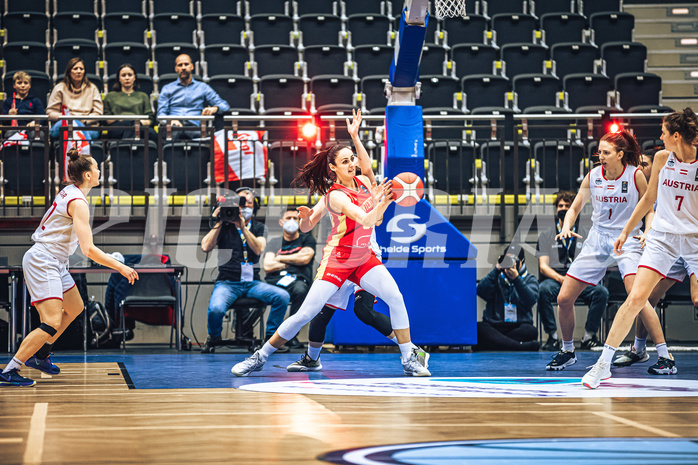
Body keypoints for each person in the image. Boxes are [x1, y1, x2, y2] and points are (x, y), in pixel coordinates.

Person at [231, 109, 431, 377]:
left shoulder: (362, 181)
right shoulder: (335, 196)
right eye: (345, 161)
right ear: (333, 168)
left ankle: (408, 358)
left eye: (352, 160)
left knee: (395, 297)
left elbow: (368, 168)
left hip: (364, 257)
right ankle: (260, 357)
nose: (352, 164)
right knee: (307, 314)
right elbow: (360, 219)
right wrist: (305, 219)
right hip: (339, 260)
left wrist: (355, 136)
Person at [0, 149, 138, 387]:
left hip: (56, 261)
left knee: (75, 307)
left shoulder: (71, 191)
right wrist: (120, 267)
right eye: (95, 168)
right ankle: (10, 370)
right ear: (86, 175)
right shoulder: (78, 202)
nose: (98, 171)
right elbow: (88, 250)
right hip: (43, 260)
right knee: (51, 321)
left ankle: (41, 355)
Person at [583, 109, 698, 389]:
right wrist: (626, 231)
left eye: (663, 132)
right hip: (663, 238)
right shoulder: (661, 158)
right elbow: (648, 198)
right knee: (635, 298)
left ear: (676, 136)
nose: (659, 137)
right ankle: (602, 366)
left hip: (694, 239)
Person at [547, 129, 667, 372]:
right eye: (598, 151)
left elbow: (649, 208)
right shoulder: (593, 176)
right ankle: (568, 350)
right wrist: (568, 226)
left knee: (638, 298)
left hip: (628, 239)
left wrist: (648, 230)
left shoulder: (635, 176)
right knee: (563, 298)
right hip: (598, 239)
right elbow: (574, 207)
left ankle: (664, 355)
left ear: (620, 154)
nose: (599, 156)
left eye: (605, 152)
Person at [201, 188, 291, 353]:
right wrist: (220, 221)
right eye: (240, 202)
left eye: (248, 202)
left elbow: (258, 249)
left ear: (254, 207)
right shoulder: (224, 226)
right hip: (227, 282)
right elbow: (206, 246)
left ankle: (271, 339)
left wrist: (243, 227)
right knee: (216, 309)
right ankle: (214, 338)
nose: (244, 206)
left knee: (282, 296)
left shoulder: (258, 227)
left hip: (252, 283)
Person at [536, 191, 609, 351]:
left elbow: (594, 261)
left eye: (567, 206)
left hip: (579, 279)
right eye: (560, 206)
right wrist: (562, 279)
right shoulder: (546, 235)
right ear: (556, 209)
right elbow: (543, 266)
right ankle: (553, 337)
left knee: (601, 292)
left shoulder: (586, 233)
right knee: (542, 290)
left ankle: (589, 337)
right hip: (556, 280)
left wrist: (575, 278)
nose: (563, 208)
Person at [263, 207, 317, 349]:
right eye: (289, 218)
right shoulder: (274, 242)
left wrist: (280, 258)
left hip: (299, 281)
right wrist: (292, 261)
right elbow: (267, 266)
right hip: (274, 280)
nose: (292, 221)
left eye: (295, 218)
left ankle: (290, 335)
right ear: (281, 222)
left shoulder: (307, 239)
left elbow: (305, 258)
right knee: (260, 290)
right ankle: (269, 336)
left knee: (301, 290)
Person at [474, 245, 540, 351]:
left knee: (531, 331)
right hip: (495, 325)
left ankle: (494, 344)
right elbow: (481, 291)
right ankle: (520, 346)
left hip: (518, 326)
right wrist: (496, 270)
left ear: (521, 262)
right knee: (478, 328)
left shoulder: (530, 279)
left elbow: (531, 300)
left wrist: (517, 279)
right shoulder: (496, 277)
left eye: (513, 260)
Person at [156, 54, 229, 139]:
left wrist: (214, 108)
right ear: (176, 68)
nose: (183, 67)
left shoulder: (203, 87)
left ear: (192, 66)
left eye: (186, 64)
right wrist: (170, 120)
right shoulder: (167, 88)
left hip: (194, 127)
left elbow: (224, 106)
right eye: (180, 65)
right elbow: (160, 114)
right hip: (173, 127)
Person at [47, 57, 103, 140]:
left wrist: (83, 121)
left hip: (86, 125)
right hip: (64, 125)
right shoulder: (59, 88)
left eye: (81, 69)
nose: (79, 71)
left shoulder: (92, 88)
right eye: (75, 69)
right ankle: (87, 148)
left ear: (84, 72)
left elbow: (98, 113)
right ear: (69, 72)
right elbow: (50, 113)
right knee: (73, 125)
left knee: (78, 130)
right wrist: (69, 119)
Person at [103, 63, 156, 140]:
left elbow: (150, 118)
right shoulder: (110, 96)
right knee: (131, 125)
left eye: (130, 75)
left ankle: (126, 148)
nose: (127, 78)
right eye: (123, 75)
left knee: (152, 133)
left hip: (140, 126)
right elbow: (106, 119)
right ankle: (132, 147)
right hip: (118, 127)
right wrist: (126, 121)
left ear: (134, 77)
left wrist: (136, 123)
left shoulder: (143, 96)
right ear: (119, 78)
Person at [2, 71, 46, 137]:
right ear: (14, 85)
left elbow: (42, 117)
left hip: (31, 128)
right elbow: (3, 122)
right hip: (14, 129)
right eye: (19, 83)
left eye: (26, 83)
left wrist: (35, 122)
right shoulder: (8, 102)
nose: (23, 86)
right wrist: (9, 115)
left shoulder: (35, 101)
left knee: (38, 134)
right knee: (9, 134)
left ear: (30, 85)